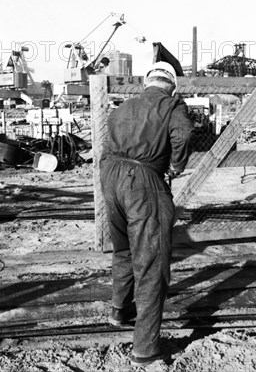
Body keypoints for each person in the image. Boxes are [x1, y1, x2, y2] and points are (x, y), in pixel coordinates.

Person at [100, 61, 193, 367]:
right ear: (172, 86)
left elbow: (106, 141)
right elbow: (184, 134)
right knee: (152, 262)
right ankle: (145, 347)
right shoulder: (171, 105)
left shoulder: (124, 106)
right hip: (143, 181)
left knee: (124, 247)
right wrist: (176, 166)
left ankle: (119, 309)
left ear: (146, 82)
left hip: (110, 176)